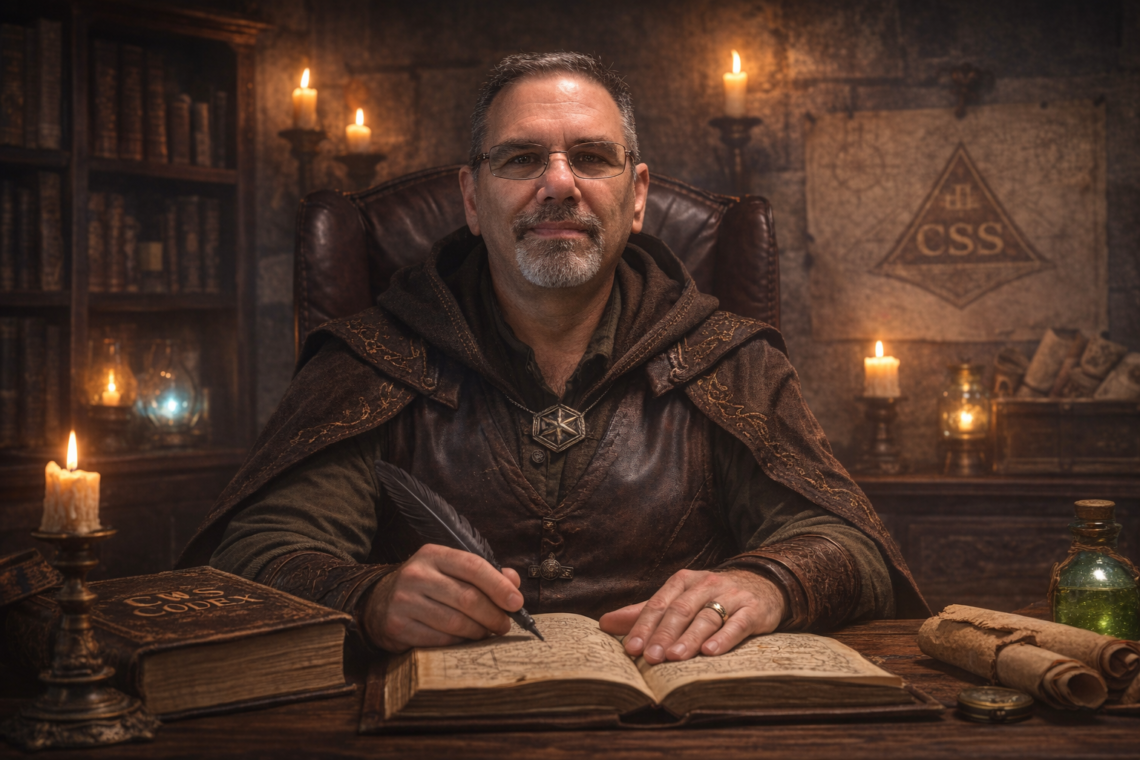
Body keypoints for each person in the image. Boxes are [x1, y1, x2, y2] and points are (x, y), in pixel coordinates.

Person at [178, 52, 927, 664]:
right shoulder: (371, 358)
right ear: (472, 198)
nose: (559, 183)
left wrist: (770, 585)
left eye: (592, 158)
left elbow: (853, 550)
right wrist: (368, 599)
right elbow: (250, 559)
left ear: (637, 197)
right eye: (522, 158)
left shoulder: (729, 360)